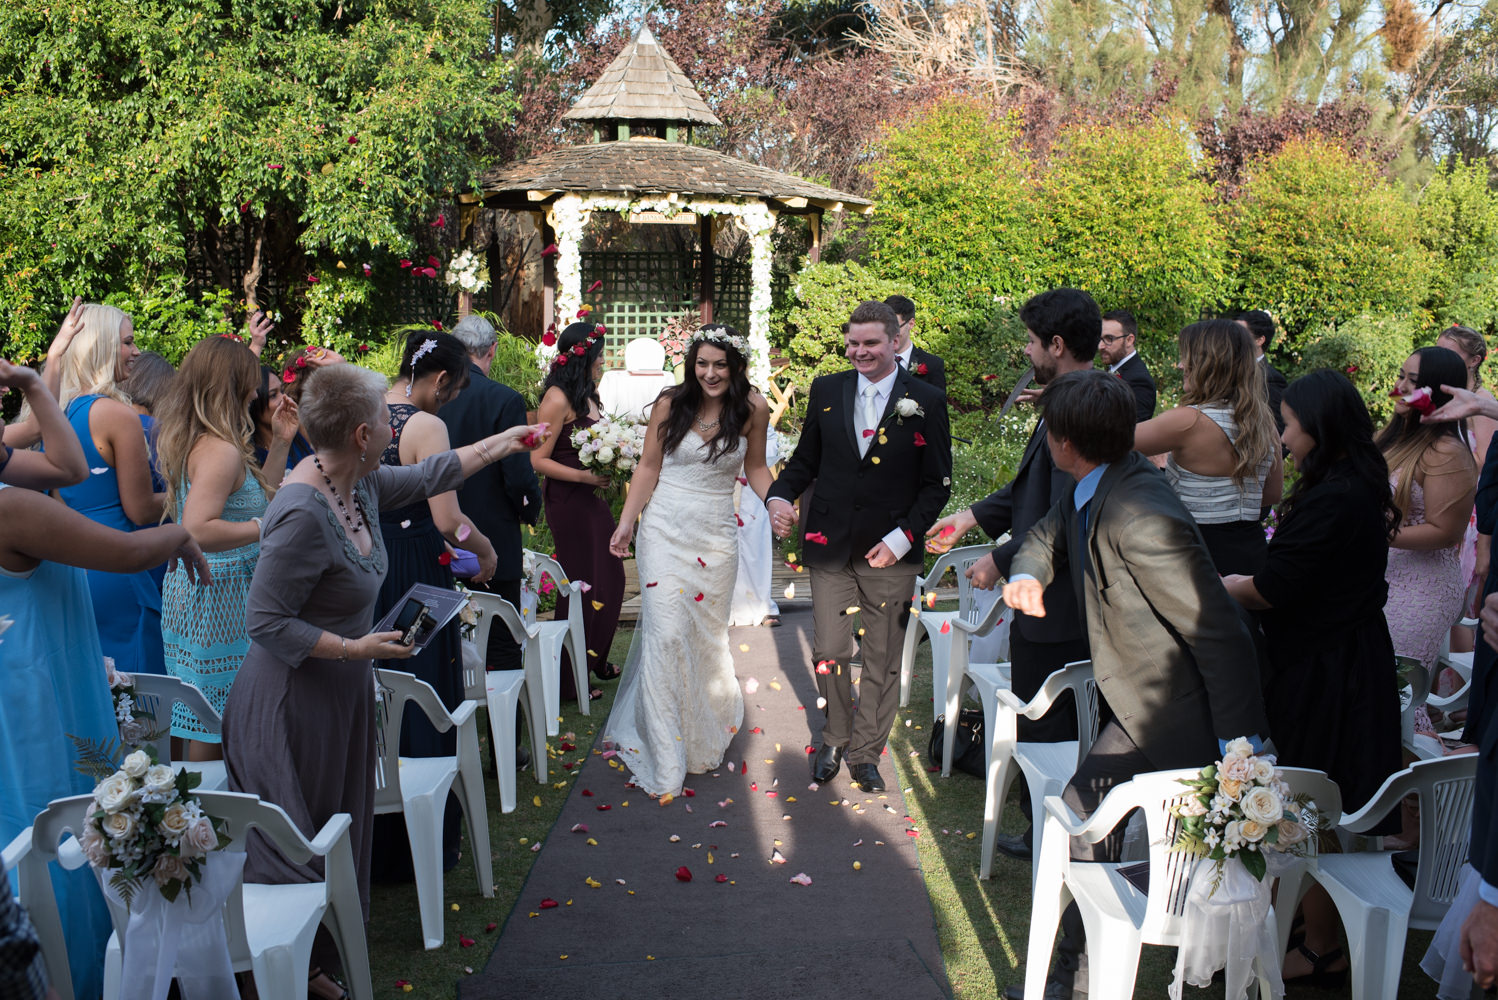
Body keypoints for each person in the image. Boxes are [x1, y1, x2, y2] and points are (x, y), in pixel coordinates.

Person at [221, 364, 544, 999]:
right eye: (385, 414)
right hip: (288, 701)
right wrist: (355, 647)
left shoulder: (360, 484)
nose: (398, 421)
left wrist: (504, 443)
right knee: (293, 846)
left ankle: (314, 966)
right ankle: (285, 976)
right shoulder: (300, 509)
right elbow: (264, 621)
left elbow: (430, 475)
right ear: (366, 433)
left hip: (336, 694)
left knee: (333, 833)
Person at [1002, 369, 1269, 1000]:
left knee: (1083, 823)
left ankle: (1076, 972)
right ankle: (1079, 970)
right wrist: (1029, 574)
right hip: (1138, 699)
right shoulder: (1089, 483)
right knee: (1087, 828)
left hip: (1172, 708)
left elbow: (1218, 631)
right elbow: (1044, 534)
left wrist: (1241, 747)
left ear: (1065, 443)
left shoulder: (1142, 514)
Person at [1223, 368, 1404, 984]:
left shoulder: (1338, 496)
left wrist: (1224, 586)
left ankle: (1323, 942)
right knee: (1313, 802)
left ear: (1320, 429)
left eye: (1290, 424)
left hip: (1333, 671)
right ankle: (1308, 919)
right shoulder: (1348, 481)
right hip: (1339, 653)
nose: (1282, 434)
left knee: (1318, 803)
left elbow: (1276, 588)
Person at [0, 470, 206, 1000]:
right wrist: (179, 534)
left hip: (20, 685)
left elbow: (67, 467)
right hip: (40, 698)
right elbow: (129, 551)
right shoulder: (13, 509)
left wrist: (29, 382)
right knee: (54, 833)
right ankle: (78, 978)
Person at [926, 287, 1100, 859]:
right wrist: (972, 515)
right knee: (1039, 717)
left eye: (1030, 341)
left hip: (1061, 601)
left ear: (1056, 344)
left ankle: (1058, 827)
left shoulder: (1084, 405)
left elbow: (1067, 514)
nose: (1026, 352)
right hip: (1043, 593)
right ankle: (1045, 821)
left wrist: (999, 559)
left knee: (1051, 722)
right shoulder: (1063, 396)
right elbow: (1031, 488)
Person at [768, 300, 951, 793]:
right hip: (830, 543)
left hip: (890, 550)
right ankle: (835, 735)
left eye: (871, 343)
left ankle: (866, 752)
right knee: (828, 648)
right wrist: (779, 496)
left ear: (895, 341)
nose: (860, 352)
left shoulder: (927, 399)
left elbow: (937, 484)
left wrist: (900, 538)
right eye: (853, 343)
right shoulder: (828, 389)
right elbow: (806, 460)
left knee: (882, 655)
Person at [603, 326, 774, 796]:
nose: (711, 373)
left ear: (736, 366)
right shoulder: (670, 403)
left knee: (702, 636)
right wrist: (626, 523)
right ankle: (665, 751)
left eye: (720, 364)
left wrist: (777, 503)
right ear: (691, 364)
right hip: (663, 529)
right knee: (666, 631)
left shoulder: (752, 408)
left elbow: (756, 468)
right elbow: (649, 467)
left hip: (716, 535)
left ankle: (699, 727)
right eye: (703, 363)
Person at [372, 331, 497, 876]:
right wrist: (486, 551)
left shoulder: (369, 408)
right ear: (441, 379)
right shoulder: (427, 426)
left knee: (378, 688)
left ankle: (377, 836)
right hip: (418, 569)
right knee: (422, 686)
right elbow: (449, 521)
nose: (449, 401)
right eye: (452, 390)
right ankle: (422, 839)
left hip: (369, 565)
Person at [155, 336, 293, 762]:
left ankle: (190, 809)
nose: (257, 394)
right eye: (251, 385)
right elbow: (197, 527)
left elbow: (257, 497)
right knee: (215, 717)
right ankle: (207, 814)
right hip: (218, 596)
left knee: (197, 708)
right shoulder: (220, 449)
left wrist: (284, 440)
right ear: (230, 386)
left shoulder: (205, 439)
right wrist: (263, 528)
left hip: (202, 588)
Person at [43, 302, 170, 675]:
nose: (136, 352)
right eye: (128, 343)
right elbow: (141, 509)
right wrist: (190, 494)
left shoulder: (57, 412)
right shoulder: (115, 414)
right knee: (138, 709)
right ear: (99, 347)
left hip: (69, 569)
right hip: (117, 567)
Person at [1133, 319, 1281, 575]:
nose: (1180, 365)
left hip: (1197, 557)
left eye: (1187, 357)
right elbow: (1271, 495)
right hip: (1251, 556)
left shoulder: (1189, 420)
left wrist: (1159, 472)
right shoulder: (1264, 422)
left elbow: (1102, 441)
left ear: (1211, 363)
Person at [439, 315, 543, 674]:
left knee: (447, 639)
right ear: (492, 350)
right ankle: (504, 728)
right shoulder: (505, 399)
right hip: (494, 534)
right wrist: (530, 511)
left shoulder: (431, 398)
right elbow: (517, 475)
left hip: (440, 535)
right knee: (501, 640)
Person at [530, 321, 626, 701]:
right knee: (582, 586)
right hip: (569, 502)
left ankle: (595, 656)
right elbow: (538, 458)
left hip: (593, 501)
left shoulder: (588, 394)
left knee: (612, 579)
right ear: (582, 356)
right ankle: (571, 681)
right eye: (599, 354)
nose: (603, 360)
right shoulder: (556, 399)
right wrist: (583, 478)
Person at [1436, 324, 1495, 656]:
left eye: (1450, 351)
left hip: (1469, 508)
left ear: (1474, 360)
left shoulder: (1483, 403)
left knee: (1458, 604)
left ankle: (1457, 701)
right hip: (1444, 498)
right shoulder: (1445, 395)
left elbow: (1487, 461)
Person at [0, 358, 86, 491]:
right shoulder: (9, 501)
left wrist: (55, 355)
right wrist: (31, 383)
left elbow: (34, 429)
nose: (6, 389)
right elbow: (71, 472)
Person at [730, 422, 783, 627]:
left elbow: (771, 446)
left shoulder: (753, 408)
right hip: (720, 487)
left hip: (752, 490)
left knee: (755, 549)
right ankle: (726, 607)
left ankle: (761, 605)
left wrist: (748, 451)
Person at [251, 364, 313, 476]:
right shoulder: (250, 456)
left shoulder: (300, 434)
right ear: (254, 402)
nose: (284, 399)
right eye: (273, 395)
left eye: (282, 391)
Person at [1096, 308, 1155, 422]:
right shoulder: (1113, 367)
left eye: (1109, 339)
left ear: (1129, 340)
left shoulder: (1140, 381)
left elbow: (1133, 432)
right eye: (1100, 338)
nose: (1100, 346)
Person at [1236, 309, 1287, 434]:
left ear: (1259, 340)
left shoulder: (1271, 379)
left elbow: (1279, 431)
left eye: (1239, 334)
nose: (1232, 338)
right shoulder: (1226, 370)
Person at [884, 294, 946, 392]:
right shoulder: (874, 360)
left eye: (895, 327)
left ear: (911, 324)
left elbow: (937, 405)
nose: (889, 332)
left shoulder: (933, 365)